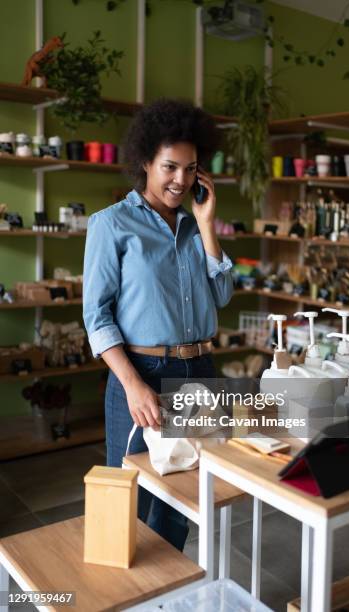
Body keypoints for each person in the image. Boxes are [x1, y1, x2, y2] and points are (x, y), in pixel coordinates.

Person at [82, 98, 234, 551]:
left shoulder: (194, 225)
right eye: (170, 167)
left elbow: (222, 296)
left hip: (199, 374)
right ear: (145, 161)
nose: (181, 180)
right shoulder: (111, 225)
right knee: (128, 497)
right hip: (142, 375)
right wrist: (131, 384)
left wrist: (207, 226)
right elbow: (97, 316)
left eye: (191, 169)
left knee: (182, 499)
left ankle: (167, 597)